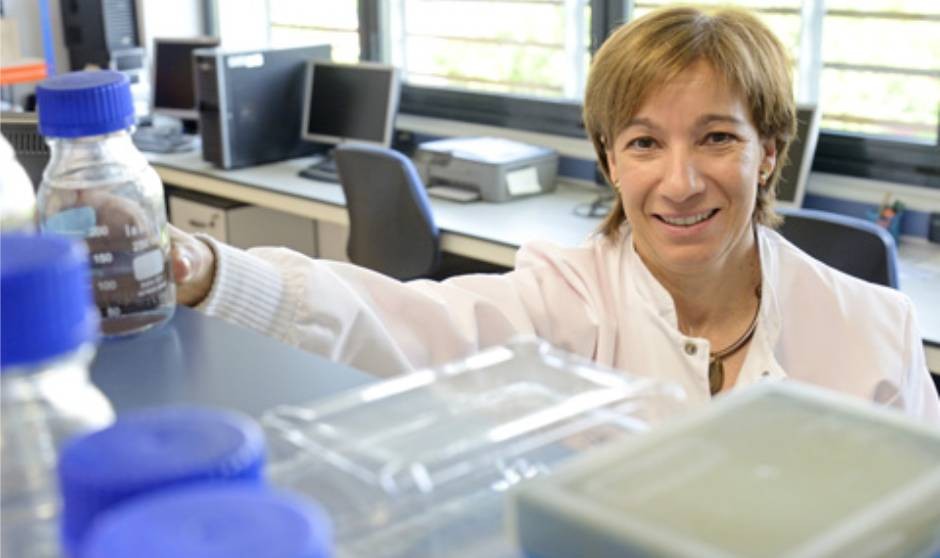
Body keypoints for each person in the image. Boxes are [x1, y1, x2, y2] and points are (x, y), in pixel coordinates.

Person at [169, 6, 940, 422]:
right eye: (644, 142)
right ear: (609, 160)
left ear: (768, 152)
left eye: (715, 138)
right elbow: (392, 318)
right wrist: (210, 272)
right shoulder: (558, 304)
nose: (679, 181)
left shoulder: (877, 329)